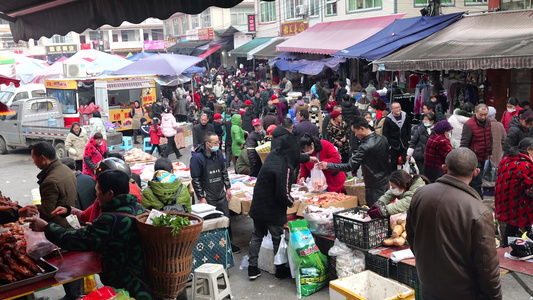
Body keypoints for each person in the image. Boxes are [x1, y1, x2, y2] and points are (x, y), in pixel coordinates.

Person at [30, 170, 153, 299]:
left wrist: (46, 227)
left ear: (110, 193)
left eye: (98, 190)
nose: (96, 194)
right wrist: (70, 211)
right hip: (144, 280)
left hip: (130, 287)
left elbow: (74, 240)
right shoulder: (138, 209)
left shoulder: (110, 220)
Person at [406, 148, 502, 300]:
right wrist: (494, 296)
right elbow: (487, 265)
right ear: (476, 172)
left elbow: (411, 236)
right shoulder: (479, 211)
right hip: (463, 291)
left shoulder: (421, 194)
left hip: (428, 282)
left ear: (444, 168)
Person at [248, 123, 310, 280]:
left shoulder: (273, 155)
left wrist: (309, 158)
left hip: (258, 204)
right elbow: (282, 194)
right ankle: (280, 270)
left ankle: (252, 268)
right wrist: (292, 202)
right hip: (273, 209)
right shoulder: (285, 166)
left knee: (257, 235)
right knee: (278, 239)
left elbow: (295, 157)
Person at [31, 141, 80, 300]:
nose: (34, 162)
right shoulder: (66, 169)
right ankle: (74, 293)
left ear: (43, 158)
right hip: (71, 220)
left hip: (60, 226)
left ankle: (72, 295)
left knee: (65, 264)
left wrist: (31, 210)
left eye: (34, 158)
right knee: (74, 263)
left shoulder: (50, 180)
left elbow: (47, 212)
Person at [318, 116, 390, 206]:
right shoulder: (382, 139)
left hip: (373, 183)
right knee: (385, 206)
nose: (355, 135)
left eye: (355, 132)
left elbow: (349, 166)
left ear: (362, 129)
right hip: (385, 179)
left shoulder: (365, 147)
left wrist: (328, 165)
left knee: (375, 209)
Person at [190, 132, 240, 253]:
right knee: (212, 223)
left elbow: (224, 171)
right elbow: (196, 179)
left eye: (218, 142)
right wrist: (201, 197)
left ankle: (228, 244)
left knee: (226, 220)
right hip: (208, 196)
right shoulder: (197, 158)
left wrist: (227, 187)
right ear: (208, 144)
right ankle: (213, 247)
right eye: (215, 143)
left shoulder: (218, 154)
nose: (218, 145)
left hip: (220, 193)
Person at [495, 137, 533, 247]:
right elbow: (530, 190)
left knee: (511, 227)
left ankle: (506, 247)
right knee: (519, 227)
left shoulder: (507, 159)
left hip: (505, 202)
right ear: (528, 149)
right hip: (519, 205)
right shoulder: (525, 165)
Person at [461, 104, 491, 199]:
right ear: (475, 112)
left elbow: (490, 138)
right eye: (481, 115)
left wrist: (490, 152)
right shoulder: (469, 124)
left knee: (481, 179)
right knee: (476, 181)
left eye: (485, 114)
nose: (483, 117)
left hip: (485, 156)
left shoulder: (488, 122)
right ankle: (478, 199)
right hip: (473, 157)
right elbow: (464, 142)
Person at [383, 102, 411, 172]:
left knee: (405, 161)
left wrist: (409, 139)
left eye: (399, 107)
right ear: (391, 109)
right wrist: (388, 144)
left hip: (404, 142)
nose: (398, 109)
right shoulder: (388, 119)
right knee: (393, 162)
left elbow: (408, 128)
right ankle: (394, 177)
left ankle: (405, 176)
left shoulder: (405, 115)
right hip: (393, 144)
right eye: (396, 108)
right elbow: (385, 133)